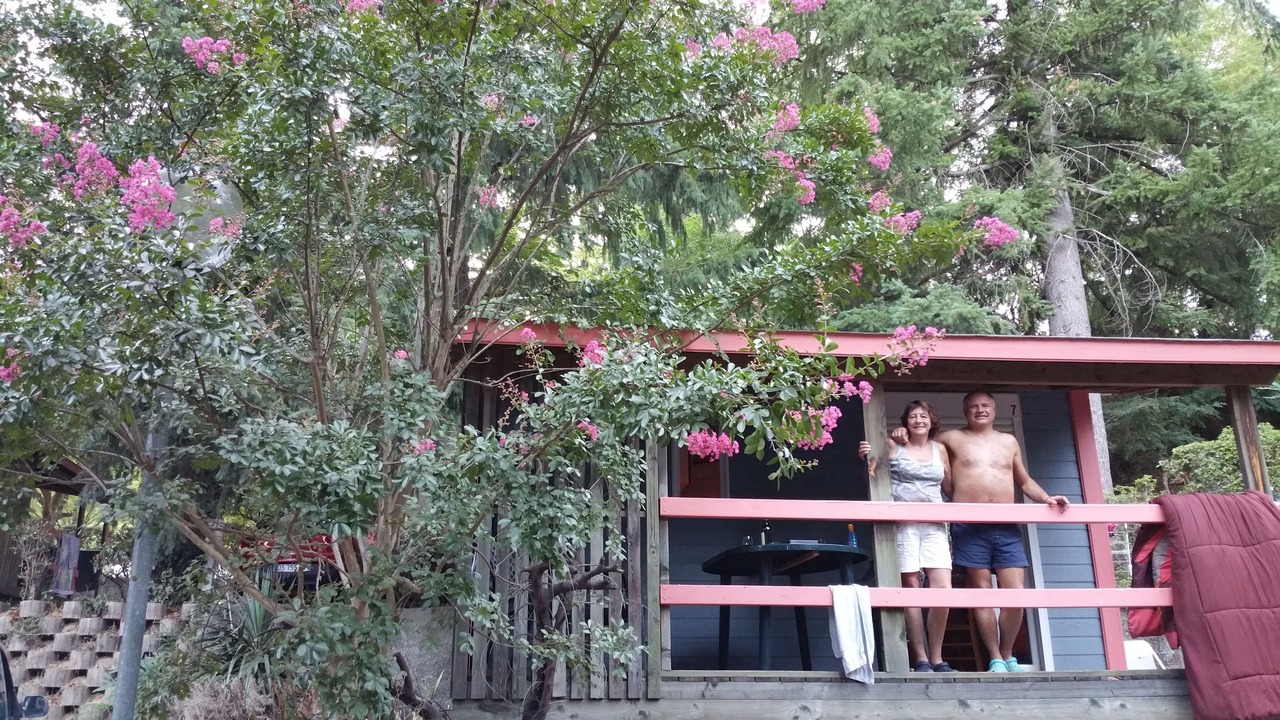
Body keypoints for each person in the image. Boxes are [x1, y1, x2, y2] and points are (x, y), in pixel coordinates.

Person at [892, 390, 1069, 673]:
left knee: (1016, 593)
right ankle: (995, 657)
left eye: (985, 405)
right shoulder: (949, 439)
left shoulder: (1008, 441)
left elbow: (1023, 480)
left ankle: (1009, 652)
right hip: (968, 524)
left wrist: (1047, 498)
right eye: (973, 406)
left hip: (1005, 523)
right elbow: (917, 446)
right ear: (964, 410)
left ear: (995, 409)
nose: (980, 410)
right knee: (981, 590)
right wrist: (900, 431)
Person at [858, 400, 956, 673]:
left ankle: (938, 657)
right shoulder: (894, 445)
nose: (918, 420)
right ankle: (921, 658)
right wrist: (867, 456)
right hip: (904, 524)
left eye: (923, 415)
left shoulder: (941, 450)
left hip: (935, 525)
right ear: (906, 422)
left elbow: (949, 487)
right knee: (911, 586)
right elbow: (874, 473)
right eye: (912, 416)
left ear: (931, 420)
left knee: (942, 589)